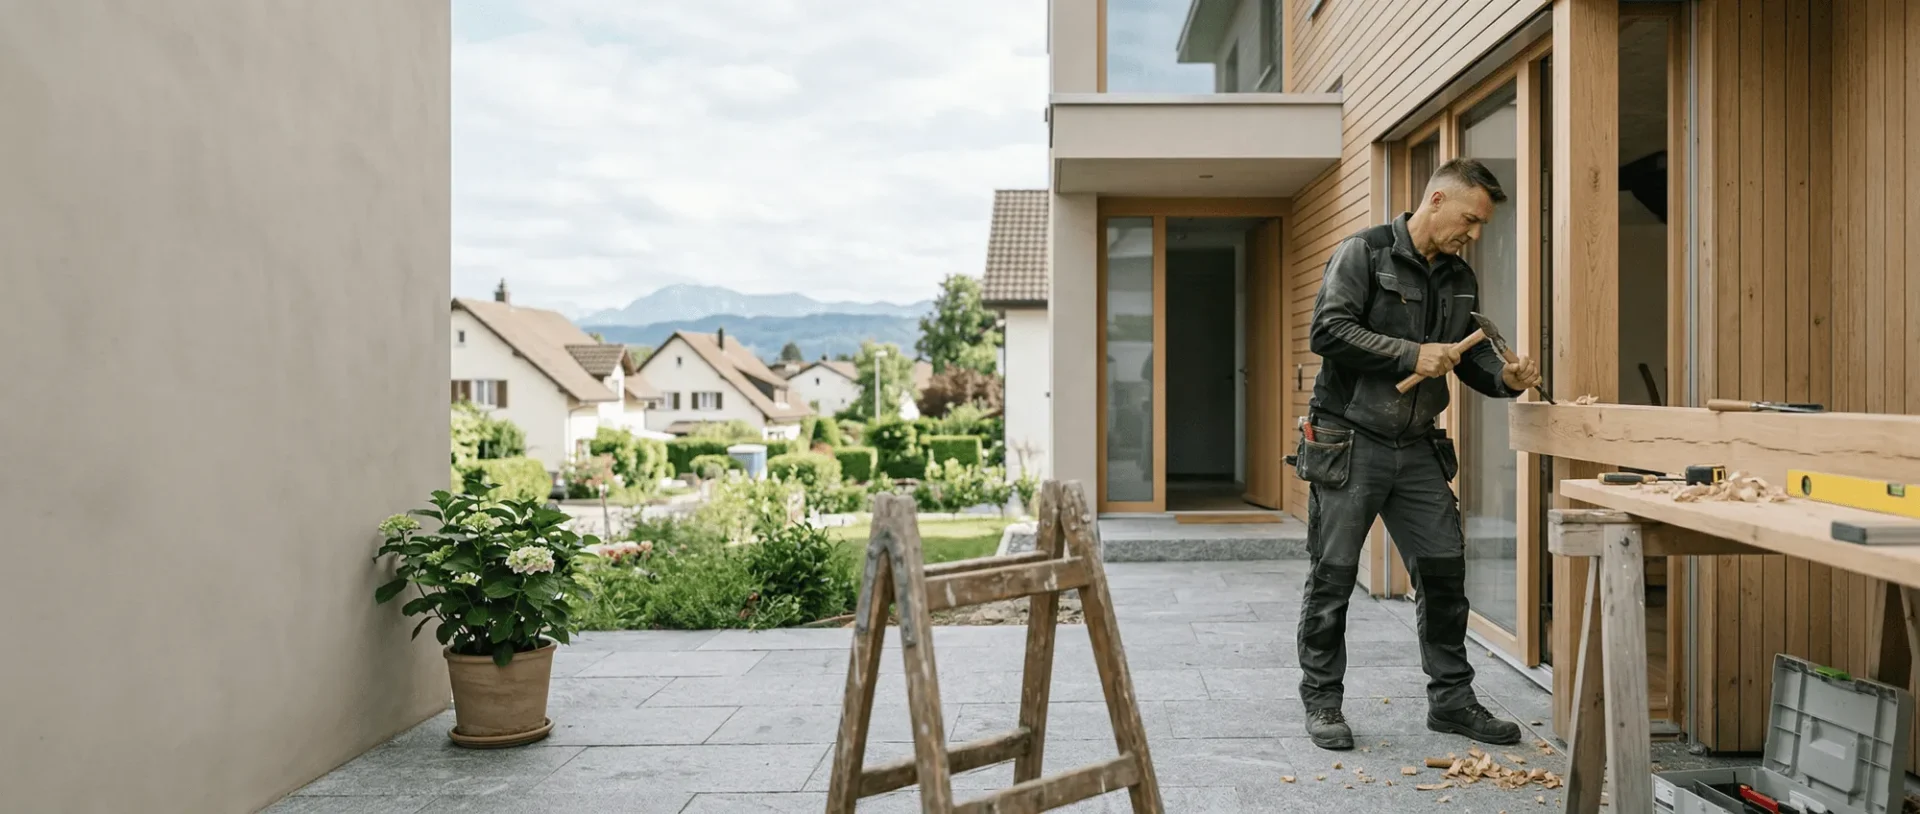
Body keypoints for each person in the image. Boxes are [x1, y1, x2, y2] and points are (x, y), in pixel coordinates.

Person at [1293, 157, 1543, 751]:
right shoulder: (1365, 252)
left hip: (1417, 445)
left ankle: (1452, 702)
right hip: (1349, 438)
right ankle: (1324, 702)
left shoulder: (1459, 276)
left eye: (1481, 225)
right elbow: (1327, 332)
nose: (1474, 234)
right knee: (1333, 577)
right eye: (1470, 219)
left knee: (1445, 571)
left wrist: (1507, 377)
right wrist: (1411, 354)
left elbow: (1472, 360)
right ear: (1435, 200)